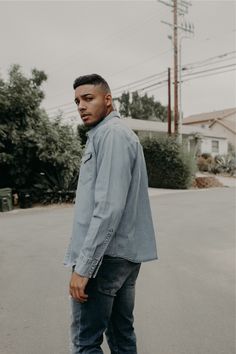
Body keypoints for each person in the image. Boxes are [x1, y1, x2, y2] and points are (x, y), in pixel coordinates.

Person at [64, 74, 158, 354]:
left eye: (88, 98)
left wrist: (84, 267)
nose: (81, 106)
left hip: (105, 259)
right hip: (121, 256)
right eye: (77, 101)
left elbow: (108, 208)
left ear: (108, 100)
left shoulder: (112, 135)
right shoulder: (109, 135)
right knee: (120, 335)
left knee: (85, 343)